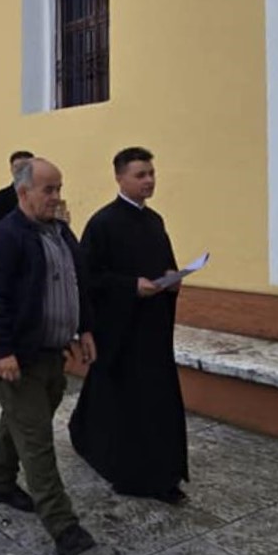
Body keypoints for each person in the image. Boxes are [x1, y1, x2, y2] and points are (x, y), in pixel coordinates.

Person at [0, 157, 97, 555]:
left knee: (22, 422)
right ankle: (63, 527)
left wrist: (85, 329)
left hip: (53, 353)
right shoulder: (4, 238)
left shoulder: (62, 233)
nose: (56, 197)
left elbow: (79, 284)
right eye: (48, 189)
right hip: (19, 358)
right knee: (38, 440)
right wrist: (2, 351)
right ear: (23, 192)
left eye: (59, 188)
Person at [69, 147, 189, 504]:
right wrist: (130, 286)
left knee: (157, 402)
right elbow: (88, 277)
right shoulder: (103, 223)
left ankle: (163, 470)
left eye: (151, 173)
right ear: (119, 178)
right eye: (141, 175)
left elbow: (165, 265)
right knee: (122, 401)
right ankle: (132, 471)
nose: (149, 180)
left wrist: (173, 278)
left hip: (153, 329)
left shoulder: (155, 222)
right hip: (120, 330)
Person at [0, 150, 34, 236]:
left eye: (26, 167)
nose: (21, 171)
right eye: (17, 167)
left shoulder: (44, 196)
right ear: (11, 169)